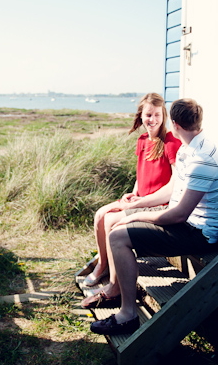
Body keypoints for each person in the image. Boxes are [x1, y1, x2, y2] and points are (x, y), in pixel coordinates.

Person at [88, 98, 218, 336]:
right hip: (184, 222)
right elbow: (174, 193)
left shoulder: (202, 159)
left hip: (197, 232)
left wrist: (135, 216)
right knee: (117, 225)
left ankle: (127, 315)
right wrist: (138, 207)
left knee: (118, 237)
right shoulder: (189, 147)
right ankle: (118, 292)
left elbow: (180, 214)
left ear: (173, 124)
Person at [82, 93, 181, 291]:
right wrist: (133, 192)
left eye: (157, 115)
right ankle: (103, 264)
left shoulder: (171, 143)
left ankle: (115, 281)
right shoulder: (143, 140)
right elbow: (140, 173)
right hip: (138, 197)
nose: (152, 120)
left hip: (155, 204)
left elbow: (174, 183)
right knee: (100, 214)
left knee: (111, 221)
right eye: (148, 115)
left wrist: (141, 200)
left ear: (164, 116)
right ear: (141, 116)